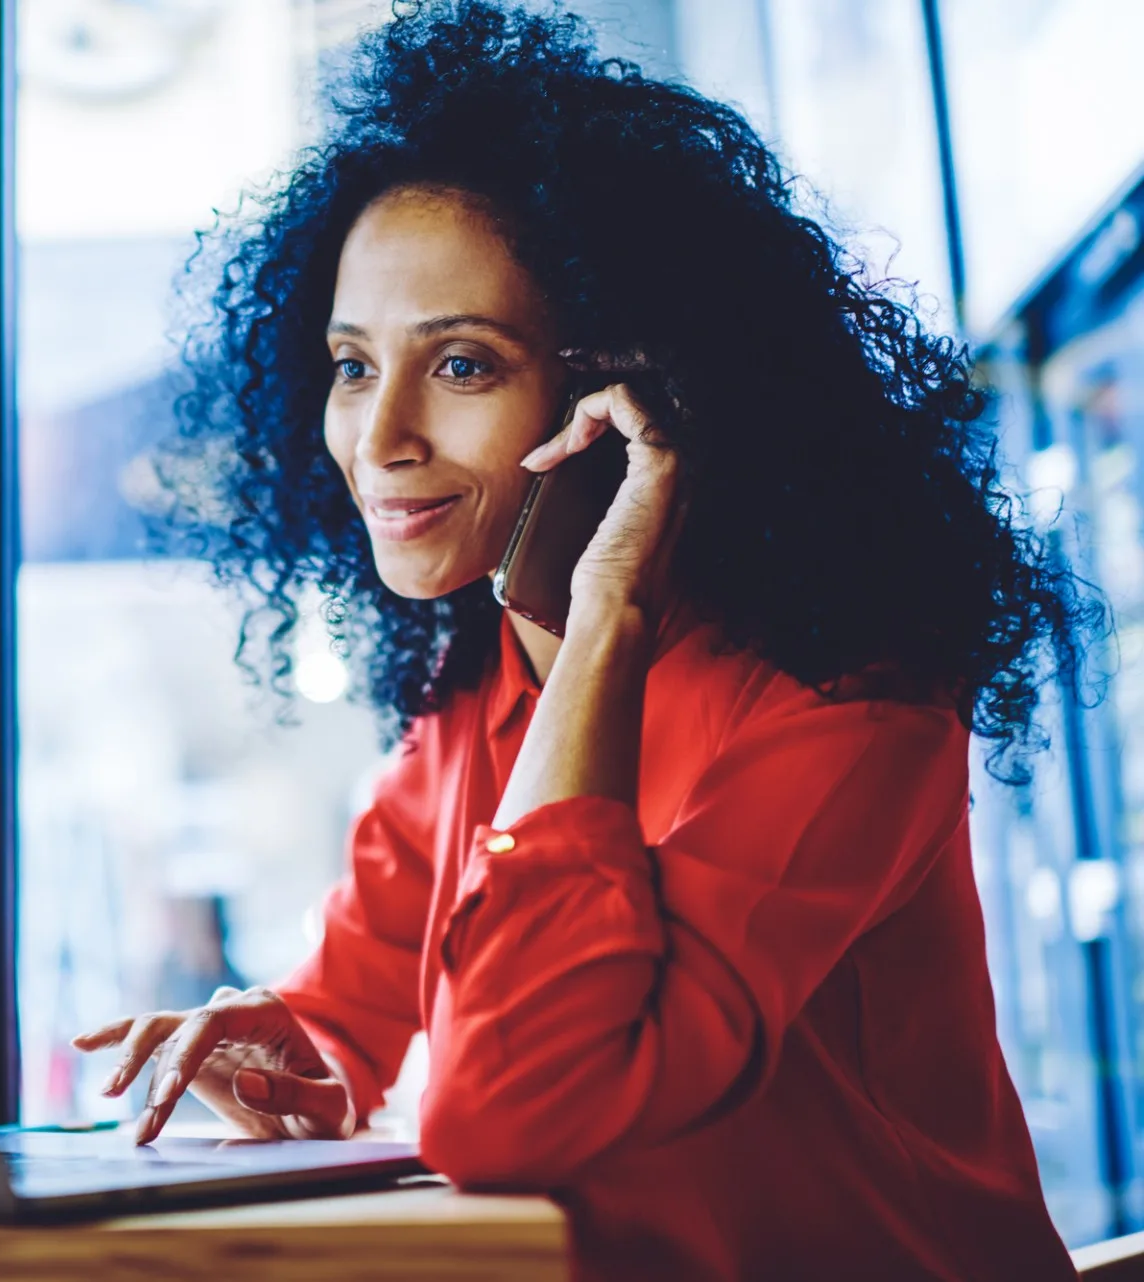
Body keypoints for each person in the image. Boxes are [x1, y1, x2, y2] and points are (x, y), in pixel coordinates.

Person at [71, 5, 1092, 1280]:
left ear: (623, 402)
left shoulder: (848, 712)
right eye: (348, 364)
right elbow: (352, 1012)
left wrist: (605, 606)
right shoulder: (470, 701)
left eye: (459, 365)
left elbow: (507, 1111)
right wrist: (280, 1053)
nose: (377, 435)